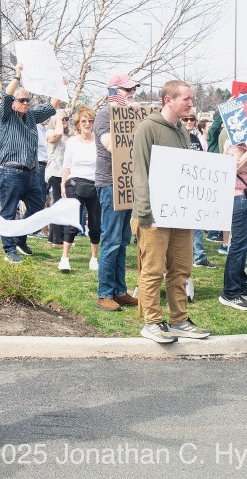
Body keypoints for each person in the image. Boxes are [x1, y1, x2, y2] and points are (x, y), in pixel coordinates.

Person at [132, 80, 210, 343]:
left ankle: (179, 320)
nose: (191, 104)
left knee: (181, 268)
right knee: (153, 270)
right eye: (186, 99)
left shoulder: (182, 132)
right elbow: (140, 172)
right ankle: (152, 322)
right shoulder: (148, 128)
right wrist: (144, 212)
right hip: (153, 215)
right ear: (168, 100)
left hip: (180, 214)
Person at [0, 63, 63, 263]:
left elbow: (51, 107)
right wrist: (17, 76)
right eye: (21, 100)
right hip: (10, 171)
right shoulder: (6, 116)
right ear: (14, 103)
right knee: (9, 212)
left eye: (27, 100)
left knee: (37, 207)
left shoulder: (32, 117)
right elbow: (6, 96)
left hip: (30, 174)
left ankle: (20, 237)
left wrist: (60, 87)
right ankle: (9, 248)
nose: (25, 103)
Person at [93, 73, 140, 311]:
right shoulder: (104, 116)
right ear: (113, 91)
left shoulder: (128, 114)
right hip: (110, 184)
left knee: (123, 240)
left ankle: (120, 291)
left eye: (132, 89)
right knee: (111, 239)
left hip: (127, 183)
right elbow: (112, 145)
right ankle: (104, 293)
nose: (131, 93)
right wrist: (126, 117)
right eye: (126, 90)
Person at [218, 125, 247, 311]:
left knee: (243, 246)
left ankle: (240, 285)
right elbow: (231, 168)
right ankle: (230, 292)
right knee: (238, 246)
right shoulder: (236, 146)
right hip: (239, 199)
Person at [58, 106, 100, 271]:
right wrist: (63, 184)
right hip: (75, 184)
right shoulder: (72, 142)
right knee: (73, 223)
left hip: (95, 185)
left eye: (90, 121)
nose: (87, 124)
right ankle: (64, 258)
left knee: (95, 224)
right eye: (84, 121)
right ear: (78, 124)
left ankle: (94, 258)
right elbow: (66, 165)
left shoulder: (99, 141)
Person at [183, 108, 217, 269]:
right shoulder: (177, 136)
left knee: (197, 223)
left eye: (192, 119)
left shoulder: (194, 138)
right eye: (186, 119)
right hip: (182, 187)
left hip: (195, 186)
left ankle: (199, 256)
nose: (189, 122)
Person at [45, 109, 69, 246]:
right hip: (55, 173)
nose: (64, 121)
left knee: (58, 204)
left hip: (64, 174)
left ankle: (52, 237)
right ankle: (58, 238)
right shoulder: (51, 132)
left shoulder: (67, 136)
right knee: (59, 204)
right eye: (61, 119)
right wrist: (58, 118)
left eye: (66, 119)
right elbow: (58, 134)